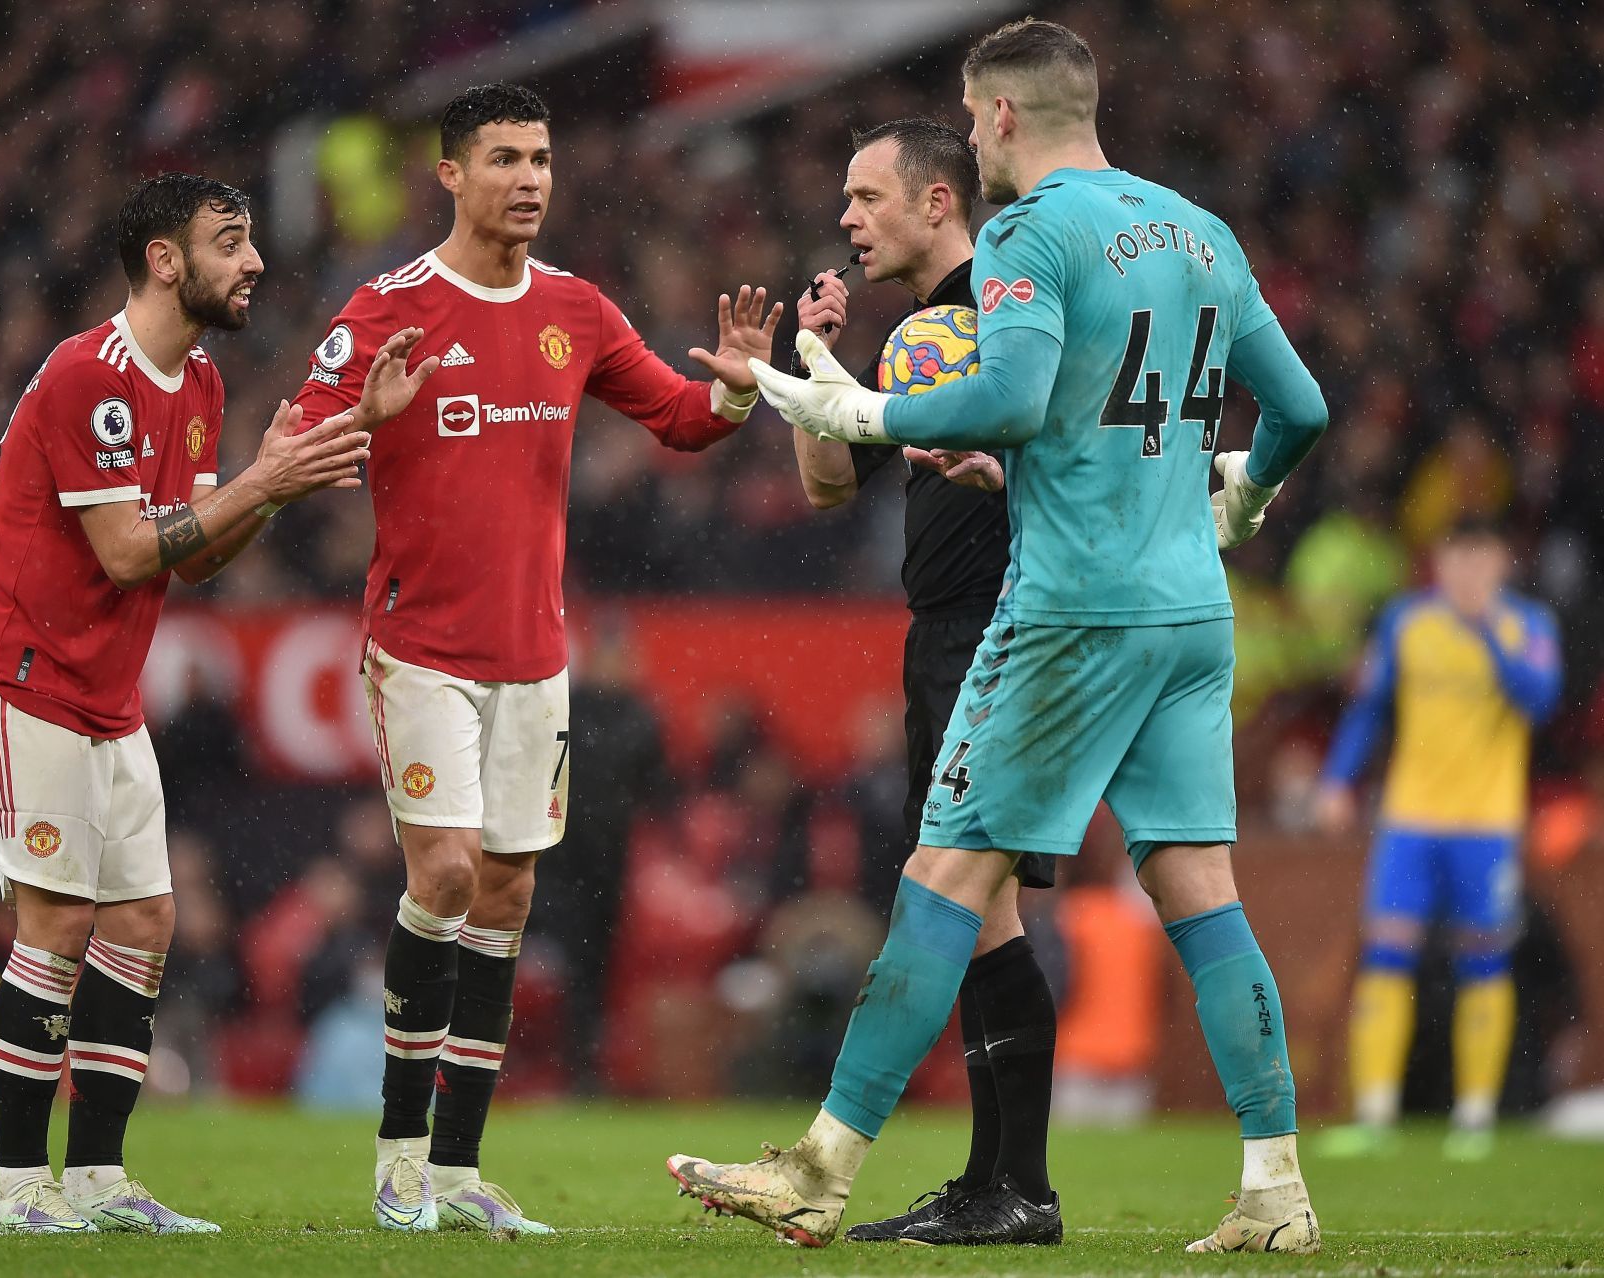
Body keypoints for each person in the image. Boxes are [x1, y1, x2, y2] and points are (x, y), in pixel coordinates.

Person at [668, 19, 1329, 1252]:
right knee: (1202, 896)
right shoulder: (1201, 230)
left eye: (973, 123)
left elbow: (1016, 393)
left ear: (1005, 116)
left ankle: (819, 1168)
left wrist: (864, 406)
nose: (974, 143)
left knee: (940, 881)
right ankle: (1274, 1189)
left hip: (1071, 613)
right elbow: (1299, 407)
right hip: (1191, 612)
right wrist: (1242, 492)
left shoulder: (1032, 232)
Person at [291, 82, 780, 1237]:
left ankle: (458, 1174)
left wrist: (738, 388)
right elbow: (290, 440)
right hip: (420, 649)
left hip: (534, 659)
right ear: (450, 175)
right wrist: (363, 416)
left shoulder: (576, 308)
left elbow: (679, 418)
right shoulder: (389, 306)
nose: (530, 179)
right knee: (447, 877)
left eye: (543, 158)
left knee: (508, 892)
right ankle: (398, 1159)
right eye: (504, 158)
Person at [0, 173, 435, 1234]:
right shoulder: (89, 375)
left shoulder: (200, 382)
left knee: (146, 919)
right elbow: (125, 552)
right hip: (19, 675)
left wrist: (278, 481)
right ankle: (22, 1193)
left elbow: (196, 560)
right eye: (230, 241)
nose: (253, 261)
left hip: (102, 692)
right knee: (58, 920)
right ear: (166, 260)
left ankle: (101, 1183)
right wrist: (262, 483)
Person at [788, 117, 1059, 1245]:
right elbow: (826, 487)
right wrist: (814, 357)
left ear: (937, 201)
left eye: (866, 196)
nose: (847, 219)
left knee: (966, 901)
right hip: (945, 634)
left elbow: (1057, 441)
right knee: (979, 910)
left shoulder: (1005, 305)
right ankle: (1001, 1186)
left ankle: (1014, 1187)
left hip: (1002, 626)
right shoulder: (916, 330)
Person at [1316, 516, 1561, 1161]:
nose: (1467, 574)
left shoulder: (1529, 628)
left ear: (1501, 563)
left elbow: (1541, 699)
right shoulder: (1406, 623)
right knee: (1387, 955)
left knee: (1482, 960)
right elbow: (1371, 707)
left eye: (1480, 560)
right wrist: (1339, 779)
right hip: (1410, 821)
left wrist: (1486, 633)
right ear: (1439, 564)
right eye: (1456, 559)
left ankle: (1475, 1117)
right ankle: (1374, 1115)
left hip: (1487, 825)